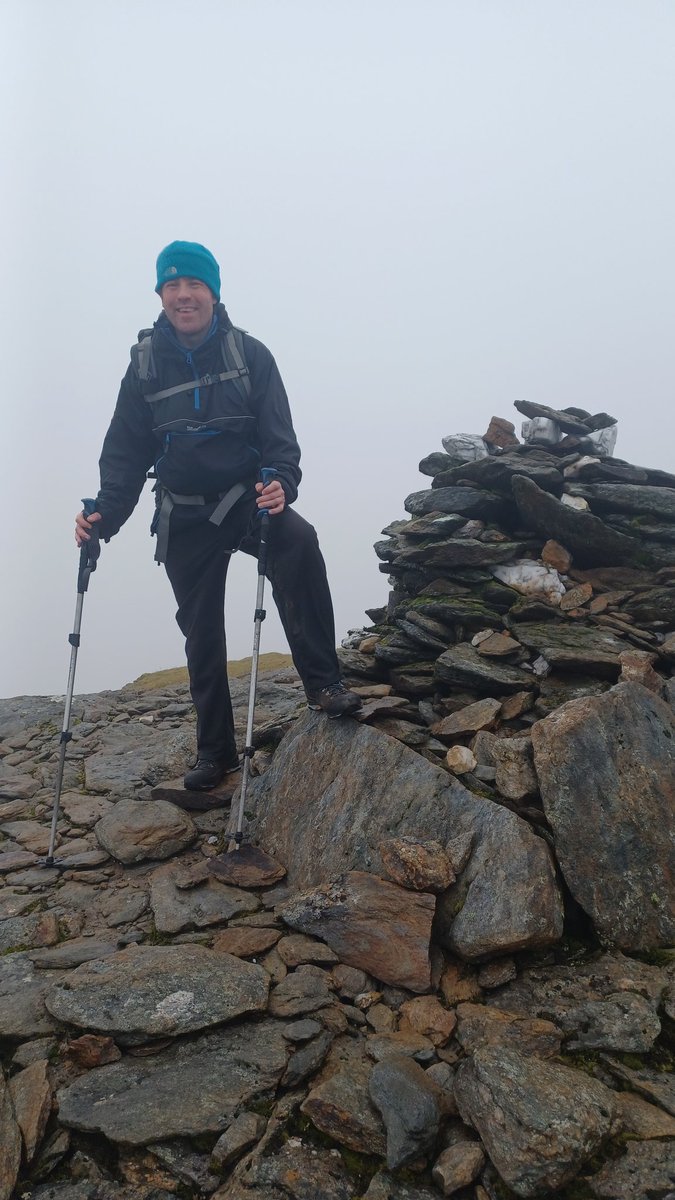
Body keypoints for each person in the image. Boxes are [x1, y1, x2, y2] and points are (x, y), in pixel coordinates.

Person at [75, 240, 361, 789]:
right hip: (182, 514)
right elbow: (125, 455)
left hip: (247, 500)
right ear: (160, 295)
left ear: (213, 292)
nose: (184, 295)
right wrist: (103, 517)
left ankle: (324, 685)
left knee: (299, 542)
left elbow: (280, 440)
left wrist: (281, 482)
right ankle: (216, 753)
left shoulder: (250, 355)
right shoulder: (143, 368)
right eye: (173, 286)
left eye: (195, 285)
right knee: (201, 631)